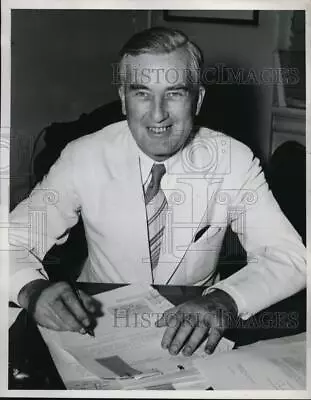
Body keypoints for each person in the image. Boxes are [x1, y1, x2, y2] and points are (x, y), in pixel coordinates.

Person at [9, 27, 306, 357]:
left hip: (193, 323)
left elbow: (289, 256)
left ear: (198, 99)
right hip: (96, 322)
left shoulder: (233, 160)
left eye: (175, 93)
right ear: (123, 99)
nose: (158, 113)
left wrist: (225, 300)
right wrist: (32, 289)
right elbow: (12, 239)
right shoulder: (83, 156)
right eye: (142, 93)